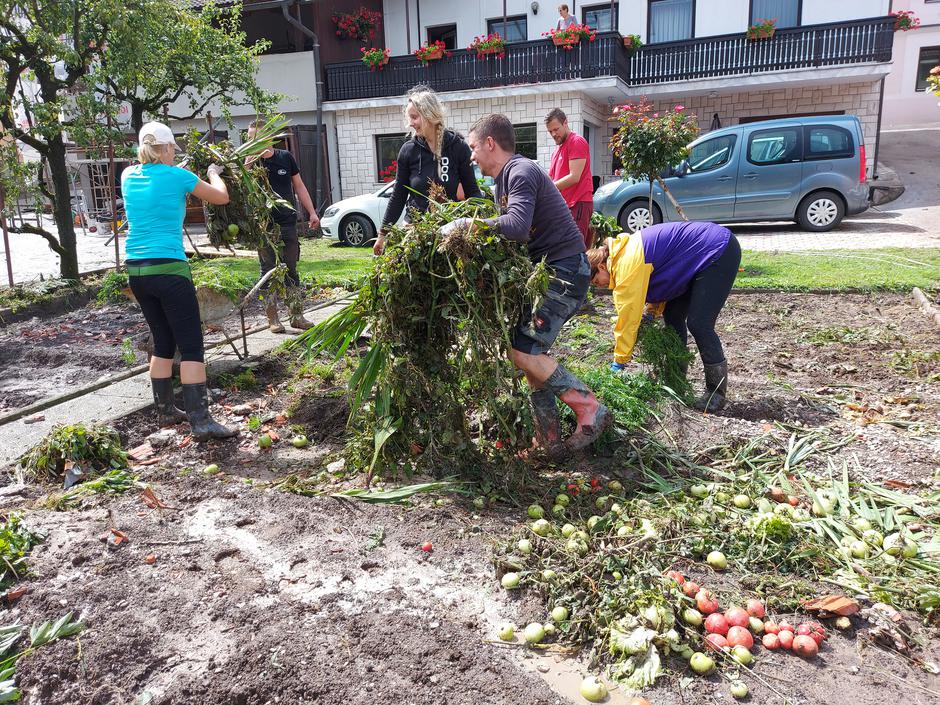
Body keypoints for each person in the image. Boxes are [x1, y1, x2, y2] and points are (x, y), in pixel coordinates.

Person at [451, 113, 610, 453]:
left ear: (490, 143)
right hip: (550, 272)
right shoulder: (504, 181)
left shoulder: (521, 171)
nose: (472, 157)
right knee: (529, 351)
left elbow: (517, 226)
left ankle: (588, 406)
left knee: (522, 350)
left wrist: (469, 225)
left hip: (564, 271)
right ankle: (548, 440)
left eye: (474, 147)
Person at [122, 122, 236, 441]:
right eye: (173, 148)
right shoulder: (179, 177)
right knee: (191, 346)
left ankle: (165, 411)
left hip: (137, 272)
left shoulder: (128, 176)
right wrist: (213, 171)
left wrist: (178, 173)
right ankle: (201, 422)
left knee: (162, 341)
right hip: (169, 268)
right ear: (169, 148)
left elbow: (156, 180)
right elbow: (221, 197)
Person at [586, 221, 741, 412]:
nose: (599, 286)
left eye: (595, 281)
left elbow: (628, 319)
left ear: (601, 266)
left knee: (699, 323)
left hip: (716, 250)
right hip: (693, 260)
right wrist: (652, 313)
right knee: (673, 315)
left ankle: (716, 392)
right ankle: (676, 379)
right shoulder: (622, 257)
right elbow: (661, 277)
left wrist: (619, 361)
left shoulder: (625, 265)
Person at [374, 85, 481, 255]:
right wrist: (383, 233)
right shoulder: (408, 151)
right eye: (409, 118)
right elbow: (398, 196)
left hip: (449, 233)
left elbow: (472, 191)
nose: (410, 123)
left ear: (429, 115)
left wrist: (483, 221)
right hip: (414, 230)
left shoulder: (458, 148)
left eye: (414, 117)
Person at [246, 120, 320, 332]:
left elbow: (299, 186)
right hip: (263, 227)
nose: (252, 141)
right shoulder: (247, 163)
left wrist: (312, 212)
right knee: (268, 272)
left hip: (287, 222)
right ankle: (272, 319)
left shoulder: (285, 158)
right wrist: (248, 165)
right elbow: (240, 188)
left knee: (291, 270)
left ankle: (296, 315)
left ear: (268, 138)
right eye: (249, 138)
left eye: (256, 137)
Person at [546, 108, 594, 250]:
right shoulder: (557, 149)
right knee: (566, 248)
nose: (554, 134)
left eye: (556, 129)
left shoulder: (576, 142)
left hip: (578, 203)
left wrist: (548, 190)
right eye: (550, 131)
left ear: (565, 123)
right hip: (565, 206)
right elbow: (551, 178)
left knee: (575, 249)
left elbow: (575, 176)